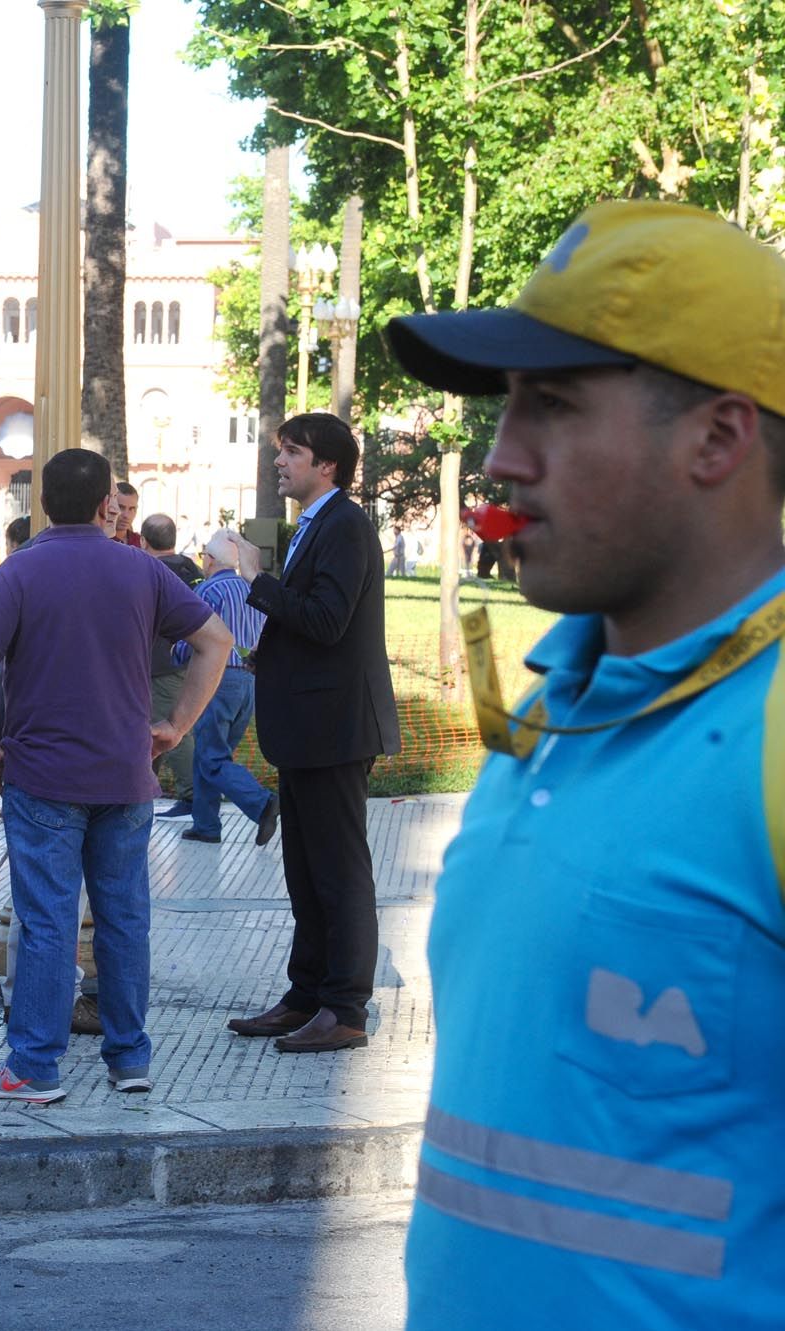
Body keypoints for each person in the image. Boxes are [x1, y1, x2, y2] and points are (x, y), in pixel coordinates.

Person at [383, 199, 785, 1327]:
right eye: (507, 405)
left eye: (551, 405)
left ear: (716, 437)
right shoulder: (552, 703)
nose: (501, 458)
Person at [0, 449, 231, 1103]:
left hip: (42, 776)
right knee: (126, 918)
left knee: (47, 921)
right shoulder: (142, 569)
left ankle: (34, 1067)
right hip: (126, 774)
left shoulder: (18, 571)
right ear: (110, 503)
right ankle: (130, 1058)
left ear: (43, 505)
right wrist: (177, 726)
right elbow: (218, 641)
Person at [223, 412, 398, 1054]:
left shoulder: (346, 525)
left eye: (291, 452)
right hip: (307, 726)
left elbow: (327, 620)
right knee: (304, 867)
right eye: (280, 452)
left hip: (337, 728)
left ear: (326, 464)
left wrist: (255, 580)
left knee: (338, 870)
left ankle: (345, 1007)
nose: (279, 462)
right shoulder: (314, 525)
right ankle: (307, 994)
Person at [174, 530, 278, 846]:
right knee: (212, 753)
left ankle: (262, 803)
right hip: (250, 681)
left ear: (208, 559)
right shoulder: (253, 588)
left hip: (217, 679)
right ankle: (206, 825)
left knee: (212, 758)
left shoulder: (208, 591)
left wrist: (175, 653)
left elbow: (195, 634)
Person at [140, 513, 201, 819]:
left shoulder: (150, 571)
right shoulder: (192, 568)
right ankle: (142, 790)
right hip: (188, 658)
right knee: (154, 727)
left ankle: (192, 796)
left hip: (158, 663)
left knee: (172, 729)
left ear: (143, 540)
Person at [109, 480, 142, 548]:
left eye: (131, 509)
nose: (126, 515)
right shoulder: (100, 541)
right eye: (121, 507)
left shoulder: (141, 542)